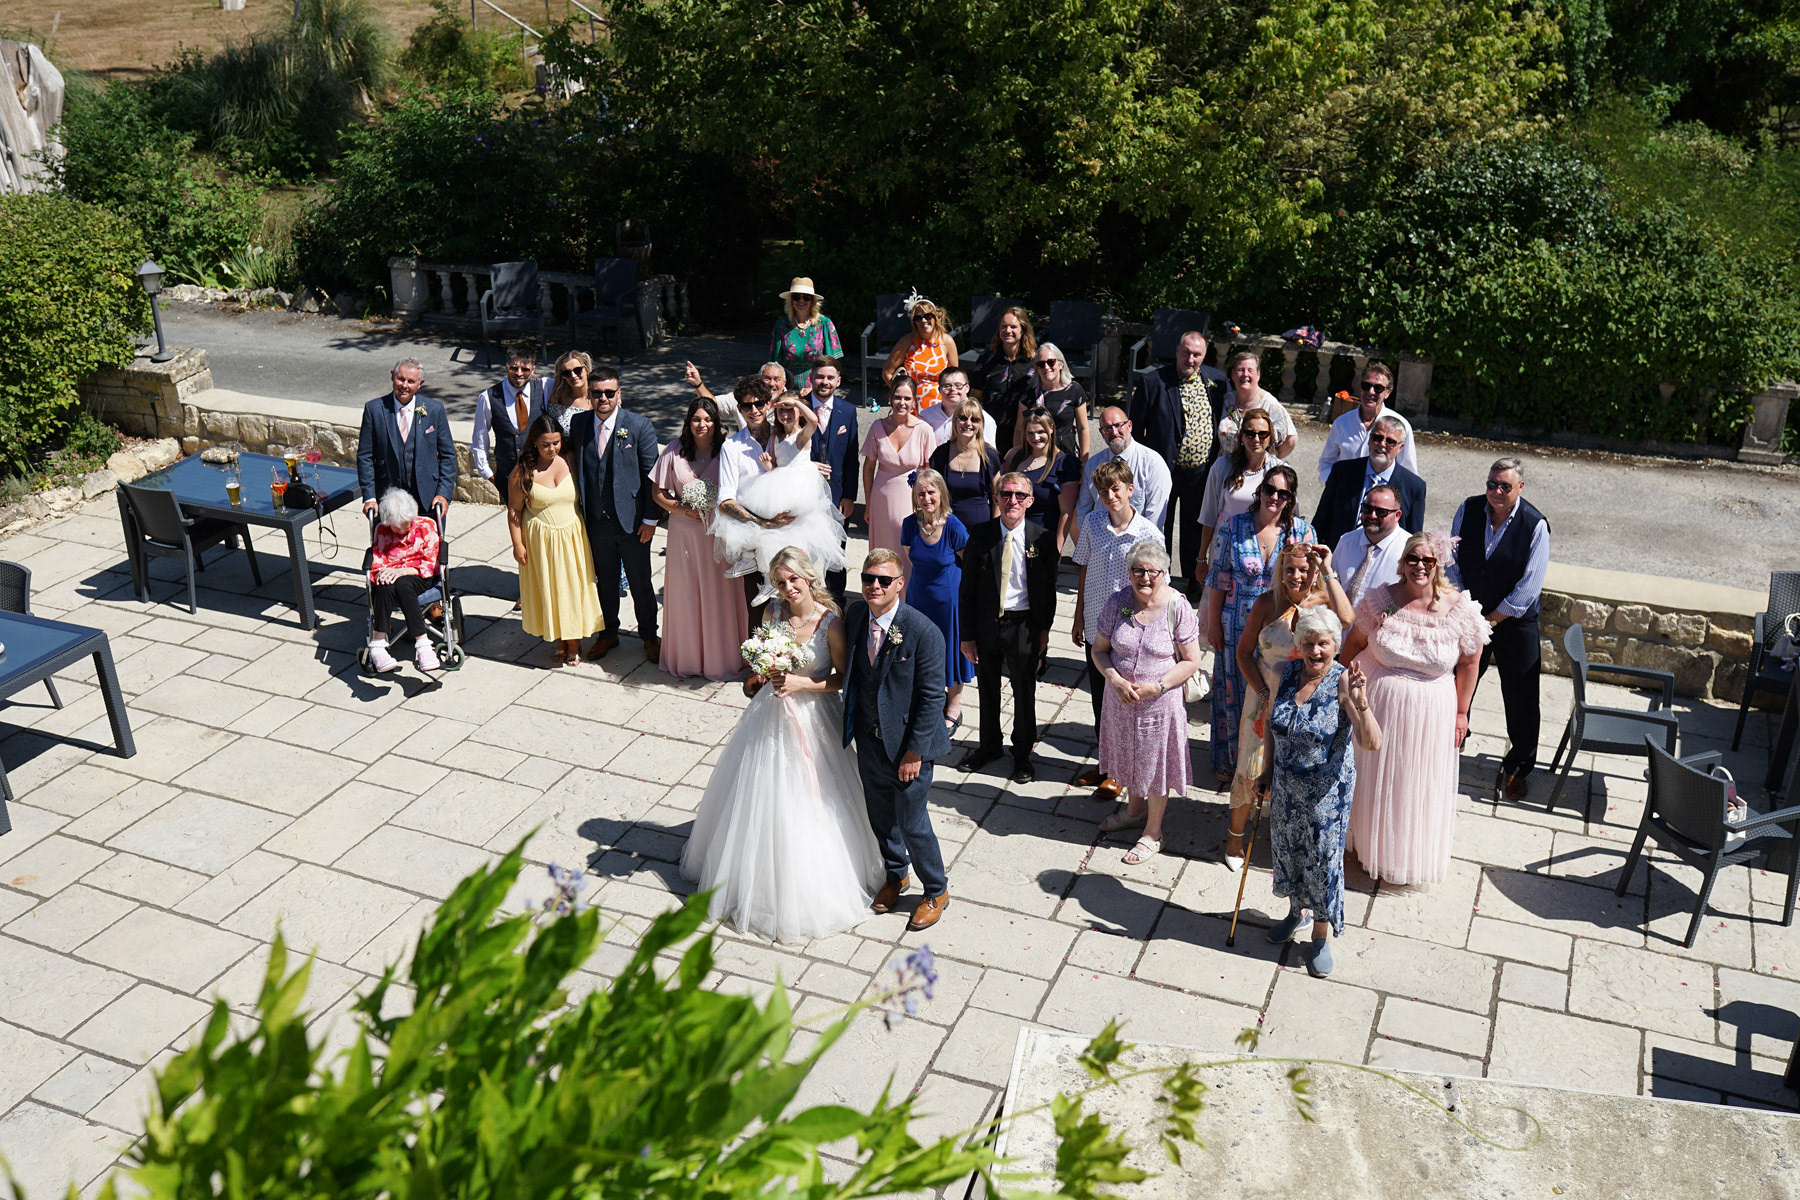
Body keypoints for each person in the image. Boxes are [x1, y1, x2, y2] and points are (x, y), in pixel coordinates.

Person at [680, 548, 883, 942]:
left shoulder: (830, 624)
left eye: (794, 579)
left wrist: (802, 683)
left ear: (809, 578)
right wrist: (764, 671)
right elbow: (763, 665)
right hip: (770, 713)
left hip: (814, 718)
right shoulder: (772, 614)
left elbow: (844, 679)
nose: (788, 588)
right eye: (780, 582)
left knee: (813, 795)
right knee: (759, 789)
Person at [1341, 531, 1490, 884]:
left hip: (1429, 714)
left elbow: (1470, 662)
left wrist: (1461, 713)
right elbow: (1355, 643)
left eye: (1427, 560)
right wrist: (1341, 690)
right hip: (1377, 707)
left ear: (1438, 565)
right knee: (1373, 779)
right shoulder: (1386, 601)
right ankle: (1366, 844)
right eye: (1412, 558)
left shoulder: (1458, 610)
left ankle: (1400, 854)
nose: (1419, 566)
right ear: (1402, 562)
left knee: (1413, 783)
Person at [1256, 608, 1382, 978]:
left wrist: (1361, 702)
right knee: (1290, 853)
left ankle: (1321, 935)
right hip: (1286, 788)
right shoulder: (1283, 672)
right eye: (1309, 643)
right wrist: (1266, 770)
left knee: (1323, 862)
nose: (1316, 651)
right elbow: (1273, 725)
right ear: (1299, 644)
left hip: (1326, 796)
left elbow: (1372, 742)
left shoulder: (1343, 681)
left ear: (1335, 645)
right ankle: (1297, 913)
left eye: (1323, 643)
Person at [842, 549, 954, 931]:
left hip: (908, 747)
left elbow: (932, 698)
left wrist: (914, 752)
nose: (874, 585)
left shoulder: (924, 632)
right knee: (880, 815)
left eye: (884, 580)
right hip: (869, 739)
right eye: (868, 578)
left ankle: (936, 889)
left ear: (900, 584)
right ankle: (896, 874)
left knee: (912, 822)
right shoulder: (856, 615)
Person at [1226, 543, 1354, 870]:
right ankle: (1235, 838)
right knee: (1251, 768)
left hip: (1307, 701)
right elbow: (1243, 653)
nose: (1296, 576)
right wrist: (1262, 692)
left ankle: (1291, 839)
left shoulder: (1323, 601)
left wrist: (1327, 568)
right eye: (1289, 569)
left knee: (1300, 772)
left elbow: (1347, 618)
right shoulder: (1266, 603)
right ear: (1280, 571)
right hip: (1264, 697)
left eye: (1304, 570)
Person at [1202, 464, 1316, 787]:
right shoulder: (1233, 527)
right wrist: (1213, 624)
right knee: (1233, 689)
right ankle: (1230, 759)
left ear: (1291, 499)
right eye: (1269, 489)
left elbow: (1312, 581)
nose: (1274, 497)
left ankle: (1267, 763)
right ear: (1260, 490)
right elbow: (1217, 579)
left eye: (1283, 493)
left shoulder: (1302, 533)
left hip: (1282, 629)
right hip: (1236, 622)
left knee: (1272, 693)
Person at [1092, 540, 1204, 864]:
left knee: (1155, 766)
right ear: (1129, 573)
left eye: (1152, 572)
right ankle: (1134, 811)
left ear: (1164, 573)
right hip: (1121, 701)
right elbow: (1099, 650)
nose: (1144, 578)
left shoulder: (1177, 607)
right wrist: (1115, 679)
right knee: (1129, 757)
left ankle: (1153, 832)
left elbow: (1192, 660)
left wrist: (1158, 686)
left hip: (1159, 704)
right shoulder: (1118, 603)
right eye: (1137, 571)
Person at [1447, 458, 1550, 802]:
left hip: (1514, 623)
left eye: (1505, 486)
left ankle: (1518, 767)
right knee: (1457, 682)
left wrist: (1489, 619)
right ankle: (1452, 743)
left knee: (1521, 695)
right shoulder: (1469, 509)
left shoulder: (1535, 525)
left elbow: (1527, 589)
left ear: (1520, 487)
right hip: (1471, 614)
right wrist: (1466, 608)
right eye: (1492, 484)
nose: (1496, 491)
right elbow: (1452, 562)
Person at [959, 472, 1060, 783]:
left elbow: (1049, 590)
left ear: (1030, 501)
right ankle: (989, 746)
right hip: (988, 623)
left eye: (1019, 495)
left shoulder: (1042, 539)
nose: (1012, 500)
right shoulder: (981, 535)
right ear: (996, 499)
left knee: (1024, 690)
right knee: (988, 687)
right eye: (1005, 494)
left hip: (1024, 625)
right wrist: (967, 636)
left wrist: (1044, 630)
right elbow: (967, 589)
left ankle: (1022, 753)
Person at [1071, 460, 1164, 796]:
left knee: (1125, 699)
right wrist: (1079, 614)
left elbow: (1158, 586)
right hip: (1097, 624)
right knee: (1100, 698)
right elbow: (1083, 567)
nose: (1110, 496)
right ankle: (1106, 763)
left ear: (1130, 490)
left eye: (1116, 489)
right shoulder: (1093, 523)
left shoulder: (1148, 534)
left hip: (1129, 630)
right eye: (1103, 491)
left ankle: (1125, 771)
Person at [711, 393, 846, 606]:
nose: (785, 414)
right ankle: (757, 567)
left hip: (798, 489)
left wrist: (796, 402)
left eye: (790, 409)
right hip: (777, 483)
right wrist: (768, 466)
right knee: (760, 520)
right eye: (781, 410)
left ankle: (772, 579)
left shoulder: (802, 435)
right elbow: (776, 464)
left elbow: (813, 420)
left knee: (785, 534)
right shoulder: (776, 435)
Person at [649, 396, 748, 681]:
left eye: (707, 419)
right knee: (687, 592)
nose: (701, 425)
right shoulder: (673, 450)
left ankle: (721, 658)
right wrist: (682, 509)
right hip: (684, 534)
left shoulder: (728, 450)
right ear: (688, 422)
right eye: (696, 419)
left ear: (716, 423)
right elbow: (657, 493)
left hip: (718, 532)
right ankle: (689, 658)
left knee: (720, 592)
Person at [568, 365, 660, 662]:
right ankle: (608, 633)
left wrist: (650, 519)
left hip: (632, 522)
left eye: (609, 392)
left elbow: (652, 476)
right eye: (597, 393)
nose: (603, 398)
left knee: (640, 583)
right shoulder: (579, 423)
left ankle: (649, 635)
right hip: (597, 521)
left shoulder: (639, 425)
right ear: (590, 394)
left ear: (619, 393)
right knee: (605, 582)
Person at [510, 415, 604, 667]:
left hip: (572, 536)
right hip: (541, 540)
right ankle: (560, 639)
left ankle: (574, 641)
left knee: (572, 587)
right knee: (551, 588)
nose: (552, 449)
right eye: (545, 444)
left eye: (556, 442)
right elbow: (514, 510)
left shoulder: (570, 459)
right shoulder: (522, 471)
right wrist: (517, 544)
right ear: (534, 442)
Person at [1130, 330, 1219, 589]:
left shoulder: (1217, 381)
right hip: (1162, 471)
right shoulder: (1153, 382)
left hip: (1200, 472)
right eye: (1186, 353)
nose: (1190, 359)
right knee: (1159, 526)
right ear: (1177, 351)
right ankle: (1158, 582)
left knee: (1195, 527)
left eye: (1197, 355)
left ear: (1204, 355)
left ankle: (1194, 582)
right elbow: (1136, 430)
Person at [900, 470, 973, 732]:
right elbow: (913, 559)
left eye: (931, 492)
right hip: (918, 599)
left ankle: (954, 706)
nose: (927, 498)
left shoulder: (954, 526)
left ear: (941, 493)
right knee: (920, 650)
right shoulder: (909, 524)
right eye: (921, 493)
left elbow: (970, 563)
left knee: (950, 650)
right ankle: (928, 699)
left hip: (948, 603)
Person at [356, 357, 457, 521]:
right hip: (388, 500)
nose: (404, 385)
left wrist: (443, 494)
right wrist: (369, 497)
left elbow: (448, 456)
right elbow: (365, 457)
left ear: (420, 383)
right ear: (392, 376)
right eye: (400, 379)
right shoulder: (374, 410)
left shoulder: (434, 410)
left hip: (428, 500)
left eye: (411, 381)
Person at [714, 375, 781, 620]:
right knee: (757, 612)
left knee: (795, 605)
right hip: (750, 536)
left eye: (759, 403)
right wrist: (761, 523)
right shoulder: (732, 447)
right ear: (739, 409)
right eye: (746, 405)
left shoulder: (784, 438)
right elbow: (725, 502)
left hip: (788, 531)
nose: (754, 410)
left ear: (769, 403)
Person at [1311, 414, 1426, 549]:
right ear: (1369, 439)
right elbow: (1321, 520)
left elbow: (1413, 539)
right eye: (1377, 438)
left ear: (1400, 447)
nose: (1382, 444)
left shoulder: (1414, 487)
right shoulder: (1342, 472)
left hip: (1386, 558)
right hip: (1340, 554)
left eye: (1390, 441)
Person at [1195, 408, 1284, 583]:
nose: (1256, 439)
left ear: (1270, 437)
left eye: (1262, 434)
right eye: (1250, 433)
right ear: (1241, 437)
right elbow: (1209, 516)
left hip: (1261, 549)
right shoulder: (1222, 466)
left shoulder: (1279, 471)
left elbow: (1288, 517)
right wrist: (1201, 558)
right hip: (1224, 546)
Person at [366, 487, 444, 674]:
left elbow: (431, 563)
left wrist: (403, 571)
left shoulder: (426, 525)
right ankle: (379, 646)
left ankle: (422, 645)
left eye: (405, 524)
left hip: (420, 575)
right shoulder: (382, 529)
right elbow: (377, 561)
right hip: (391, 576)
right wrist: (385, 573)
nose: (401, 530)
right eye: (396, 526)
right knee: (384, 583)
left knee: (402, 584)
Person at [806, 358, 860, 605]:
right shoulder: (798, 407)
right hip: (803, 495)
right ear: (811, 378)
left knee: (836, 554)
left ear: (838, 381)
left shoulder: (847, 411)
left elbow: (851, 458)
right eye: (820, 376)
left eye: (830, 377)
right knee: (804, 552)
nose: (824, 382)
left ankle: (836, 606)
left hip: (837, 496)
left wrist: (849, 495)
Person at [860, 374, 934, 554]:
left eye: (907, 398)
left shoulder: (924, 430)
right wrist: (868, 504)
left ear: (914, 402)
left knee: (908, 549)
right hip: (881, 500)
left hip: (912, 500)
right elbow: (868, 468)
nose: (902, 402)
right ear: (890, 398)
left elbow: (931, 472)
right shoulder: (877, 427)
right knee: (883, 551)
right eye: (897, 397)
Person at [471, 346, 550, 507]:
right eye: (514, 368)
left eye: (525, 369)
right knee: (515, 519)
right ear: (506, 367)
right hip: (507, 477)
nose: (519, 373)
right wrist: (488, 474)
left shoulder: (544, 387)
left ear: (533, 369)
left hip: (541, 474)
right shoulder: (488, 397)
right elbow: (480, 439)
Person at [1315, 361, 1418, 485]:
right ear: (1360, 387)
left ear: (1388, 393)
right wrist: (1335, 486)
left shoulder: (1401, 426)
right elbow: (1326, 463)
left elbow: (1408, 473)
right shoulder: (1341, 423)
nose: (1371, 391)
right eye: (1366, 385)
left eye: (1378, 388)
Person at [1076, 406, 1171, 532]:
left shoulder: (1152, 463)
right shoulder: (1093, 465)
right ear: (1101, 432)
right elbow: (1083, 511)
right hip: (1100, 539)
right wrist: (1092, 539)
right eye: (1107, 428)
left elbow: (1155, 518)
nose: (1114, 432)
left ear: (1129, 426)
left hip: (1139, 541)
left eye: (1118, 425)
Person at [1001, 406, 1081, 554]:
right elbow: (1000, 495)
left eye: (1040, 432)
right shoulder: (1013, 456)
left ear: (1051, 429)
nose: (1036, 438)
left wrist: (1057, 549)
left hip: (1042, 539)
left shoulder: (1064, 463)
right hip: (1010, 536)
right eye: (1030, 433)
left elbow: (1066, 512)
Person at [1330, 483, 1408, 607]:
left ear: (1397, 515)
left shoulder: (1409, 549)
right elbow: (1330, 586)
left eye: (1381, 512)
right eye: (1367, 509)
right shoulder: (1346, 541)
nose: (1372, 515)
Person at [929, 398, 1001, 530]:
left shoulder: (990, 456)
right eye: (962, 418)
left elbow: (998, 496)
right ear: (955, 421)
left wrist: (996, 529)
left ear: (981, 424)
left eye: (974, 419)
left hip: (982, 530)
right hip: (948, 529)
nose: (968, 423)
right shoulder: (941, 454)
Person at [971, 305, 1036, 449]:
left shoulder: (1034, 363)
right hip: (990, 431)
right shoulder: (986, 360)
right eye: (1004, 326)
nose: (1008, 331)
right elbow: (974, 397)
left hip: (1025, 433)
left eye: (1013, 327)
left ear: (1023, 329)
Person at [1216, 350, 1298, 459]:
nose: (1245, 374)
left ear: (1258, 375)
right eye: (1240, 370)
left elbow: (1291, 439)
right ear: (1233, 374)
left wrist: (1270, 460)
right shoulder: (1227, 400)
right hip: (1225, 465)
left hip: (1256, 468)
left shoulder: (1270, 405)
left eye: (1250, 370)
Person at [881, 294, 958, 410]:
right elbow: (887, 372)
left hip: (940, 408)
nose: (923, 320)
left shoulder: (947, 341)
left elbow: (955, 378)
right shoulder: (907, 341)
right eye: (918, 318)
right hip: (912, 407)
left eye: (928, 316)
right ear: (914, 322)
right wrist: (901, 396)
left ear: (935, 317)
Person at [768, 276, 842, 392]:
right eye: (796, 297)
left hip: (819, 388)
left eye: (806, 297)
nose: (801, 301)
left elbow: (832, 365)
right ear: (791, 300)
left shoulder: (824, 324)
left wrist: (812, 388)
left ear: (812, 301)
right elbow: (775, 364)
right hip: (787, 388)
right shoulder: (781, 325)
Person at [1024, 342, 1090, 461]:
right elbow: (1020, 428)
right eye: (1041, 364)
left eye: (1051, 362)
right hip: (1036, 455)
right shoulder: (1030, 392)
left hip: (1066, 455)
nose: (1046, 367)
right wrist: (1019, 457)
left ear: (1061, 364)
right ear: (1037, 368)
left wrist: (1084, 461)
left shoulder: (1074, 390)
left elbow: (1083, 428)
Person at [922, 368, 998, 449]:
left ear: (967, 388)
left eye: (958, 385)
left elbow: (988, 453)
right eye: (947, 386)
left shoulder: (983, 419)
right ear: (939, 389)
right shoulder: (926, 416)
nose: (952, 389)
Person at [543, 350, 596, 433]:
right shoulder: (558, 399)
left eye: (577, 370)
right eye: (567, 373)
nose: (573, 376)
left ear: (586, 370)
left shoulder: (598, 397)